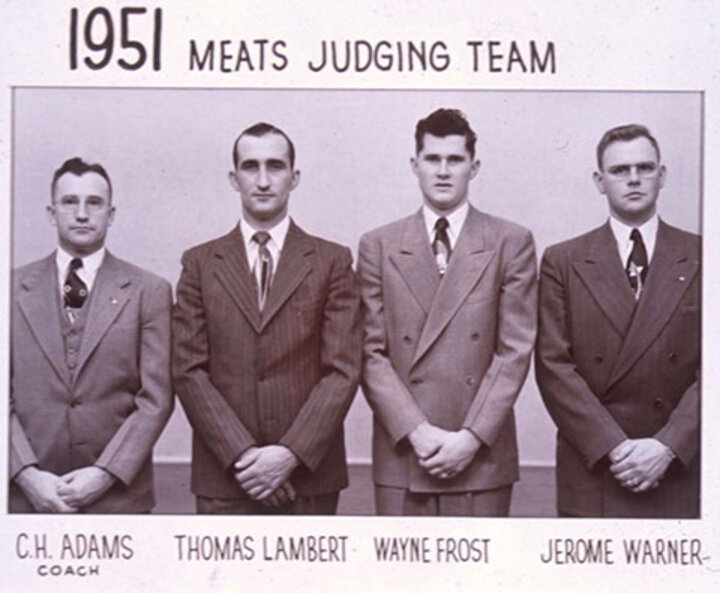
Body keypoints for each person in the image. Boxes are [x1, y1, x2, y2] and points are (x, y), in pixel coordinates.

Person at [173, 122, 361, 514]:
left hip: (308, 478)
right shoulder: (199, 264)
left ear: (294, 178)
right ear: (233, 177)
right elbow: (187, 369)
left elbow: (343, 369)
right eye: (250, 167)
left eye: (275, 167)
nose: (262, 180)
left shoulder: (332, 261)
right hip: (226, 477)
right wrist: (244, 458)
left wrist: (288, 456)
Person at [357, 108, 537, 516]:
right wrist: (417, 432)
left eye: (454, 160)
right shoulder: (378, 245)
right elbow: (369, 353)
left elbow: (514, 351)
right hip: (404, 453)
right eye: (432, 159)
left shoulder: (511, 241)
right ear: (414, 165)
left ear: (474, 167)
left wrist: (470, 438)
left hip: (481, 456)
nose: (443, 171)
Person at [535, 124, 700, 518]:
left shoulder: (702, 254)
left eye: (644, 168)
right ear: (600, 181)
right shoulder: (564, 260)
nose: (633, 179)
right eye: (619, 170)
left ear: (661, 175)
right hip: (597, 468)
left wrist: (667, 446)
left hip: (679, 465)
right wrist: (616, 448)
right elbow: (553, 367)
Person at [10, 157, 173, 513]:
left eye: (94, 203)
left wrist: (104, 473)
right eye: (70, 202)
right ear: (52, 213)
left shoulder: (150, 291)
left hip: (118, 500)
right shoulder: (9, 289)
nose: (82, 214)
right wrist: (25, 474)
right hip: (24, 500)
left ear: (110, 214)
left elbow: (156, 400)